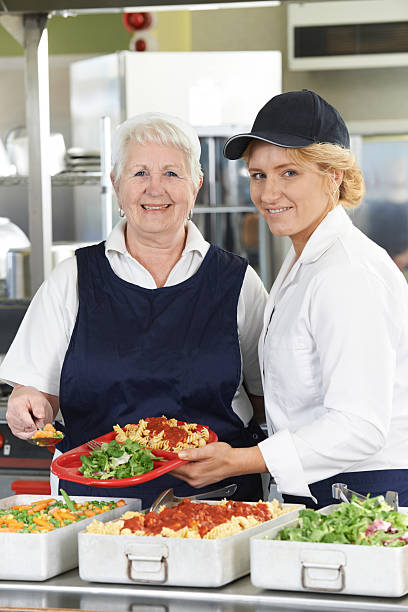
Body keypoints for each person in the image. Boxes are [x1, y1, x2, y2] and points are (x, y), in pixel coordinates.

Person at [0, 112, 268, 507]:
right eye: (140, 173)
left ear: (196, 186)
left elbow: (266, 396)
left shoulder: (238, 282)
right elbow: (37, 390)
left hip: (218, 504)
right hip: (95, 508)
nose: (155, 189)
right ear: (116, 184)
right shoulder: (72, 278)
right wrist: (29, 403)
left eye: (172, 174)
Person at [173, 89, 408, 509]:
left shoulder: (347, 273)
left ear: (334, 175)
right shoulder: (303, 261)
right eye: (258, 175)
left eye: (289, 173)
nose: (267, 193)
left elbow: (359, 425)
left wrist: (241, 461)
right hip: (325, 488)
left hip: (367, 494)